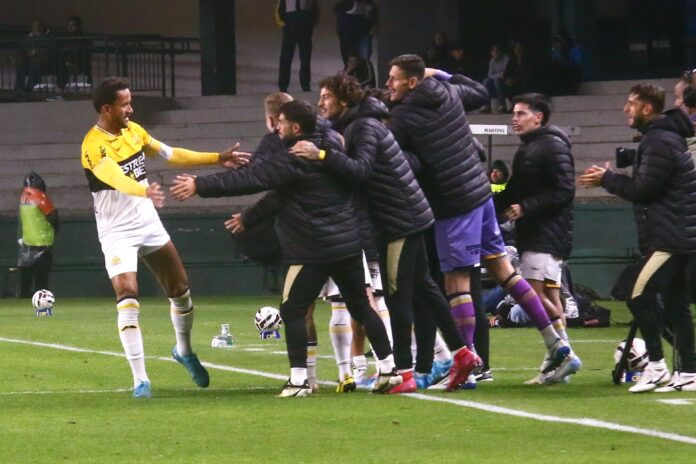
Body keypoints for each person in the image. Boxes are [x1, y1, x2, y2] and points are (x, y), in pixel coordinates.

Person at [171, 100, 399, 397]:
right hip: (347, 243)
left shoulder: (295, 157)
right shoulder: (331, 143)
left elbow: (250, 179)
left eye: (281, 122)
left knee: (292, 310)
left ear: (295, 127)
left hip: (313, 247)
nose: (277, 127)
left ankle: (299, 380)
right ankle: (389, 369)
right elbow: (279, 193)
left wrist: (199, 185)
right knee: (360, 306)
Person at [386, 54, 579, 386]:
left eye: (394, 78)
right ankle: (557, 344)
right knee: (504, 271)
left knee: (456, 283)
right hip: (481, 194)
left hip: (453, 202)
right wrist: (440, 73)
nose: (388, 83)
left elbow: (402, 159)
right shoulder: (447, 92)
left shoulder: (402, 116)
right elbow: (479, 92)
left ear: (412, 82)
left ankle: (468, 366)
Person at [291, 73, 477, 392]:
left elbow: (360, 169)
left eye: (326, 97)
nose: (321, 103)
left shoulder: (363, 126)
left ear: (344, 100)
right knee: (424, 288)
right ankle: (461, 353)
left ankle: (403, 373)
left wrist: (320, 155)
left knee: (396, 296)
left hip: (398, 220)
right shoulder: (363, 123)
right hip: (411, 214)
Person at [80, 77, 249, 398]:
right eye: (124, 104)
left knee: (180, 291)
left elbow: (170, 154)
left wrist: (216, 158)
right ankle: (140, 380)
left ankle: (183, 350)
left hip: (146, 222)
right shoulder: (93, 145)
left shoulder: (134, 131)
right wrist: (142, 189)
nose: (131, 109)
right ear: (106, 109)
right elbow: (113, 177)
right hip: (116, 231)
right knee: (127, 294)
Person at [579, 83, 696, 393]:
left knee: (635, 294)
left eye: (631, 103)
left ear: (647, 108)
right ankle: (689, 372)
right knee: (676, 306)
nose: (625, 109)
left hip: (669, 237)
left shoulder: (659, 140)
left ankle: (656, 365)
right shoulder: (662, 137)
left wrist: (607, 179)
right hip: (677, 233)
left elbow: (644, 190)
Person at [494, 93, 578, 383]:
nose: (514, 119)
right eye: (514, 113)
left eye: (521, 113)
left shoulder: (552, 146)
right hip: (539, 232)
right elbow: (515, 189)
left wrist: (526, 208)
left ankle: (564, 354)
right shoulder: (529, 148)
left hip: (545, 233)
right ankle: (557, 365)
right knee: (549, 295)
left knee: (533, 294)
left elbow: (565, 191)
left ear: (538, 117)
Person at [17, 172, 59, 298]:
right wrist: (55, 231)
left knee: (25, 279)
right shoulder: (40, 197)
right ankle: (42, 302)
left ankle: (24, 299)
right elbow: (53, 217)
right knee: (42, 281)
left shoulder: (23, 197)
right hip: (43, 243)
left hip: (27, 243)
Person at [276, 0, 319, 92]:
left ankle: (305, 85)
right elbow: (279, 8)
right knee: (286, 57)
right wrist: (284, 24)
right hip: (290, 26)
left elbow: (315, 8)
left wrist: (311, 23)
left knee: (305, 58)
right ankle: (283, 86)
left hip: (304, 26)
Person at [58, 15, 92, 91]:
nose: (70, 27)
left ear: (79, 27)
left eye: (73, 25)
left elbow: (83, 53)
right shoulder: (65, 39)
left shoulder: (83, 39)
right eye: (69, 25)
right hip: (66, 62)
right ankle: (61, 88)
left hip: (79, 63)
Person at [480, 44, 509, 113]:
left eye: (497, 50)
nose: (495, 52)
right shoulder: (492, 61)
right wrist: (498, 75)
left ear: (501, 51)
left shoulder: (506, 59)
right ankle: (486, 105)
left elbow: (505, 73)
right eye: (494, 51)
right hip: (495, 80)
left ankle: (502, 105)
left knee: (497, 81)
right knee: (486, 81)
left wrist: (497, 76)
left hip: (505, 80)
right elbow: (490, 74)